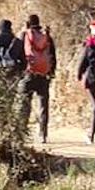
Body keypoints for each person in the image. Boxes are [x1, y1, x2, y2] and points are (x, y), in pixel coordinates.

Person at [17, 14, 56, 144]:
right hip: (44, 75)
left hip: (28, 74)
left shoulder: (25, 35)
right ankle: (43, 134)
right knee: (43, 105)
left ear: (27, 23)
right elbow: (53, 55)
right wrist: (51, 72)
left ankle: (22, 132)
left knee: (24, 104)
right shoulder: (47, 36)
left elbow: (19, 53)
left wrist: (19, 71)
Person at [0, 19, 26, 130]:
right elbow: (23, 60)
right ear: (10, 27)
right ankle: (6, 125)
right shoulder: (17, 41)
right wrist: (20, 74)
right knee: (9, 102)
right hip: (12, 76)